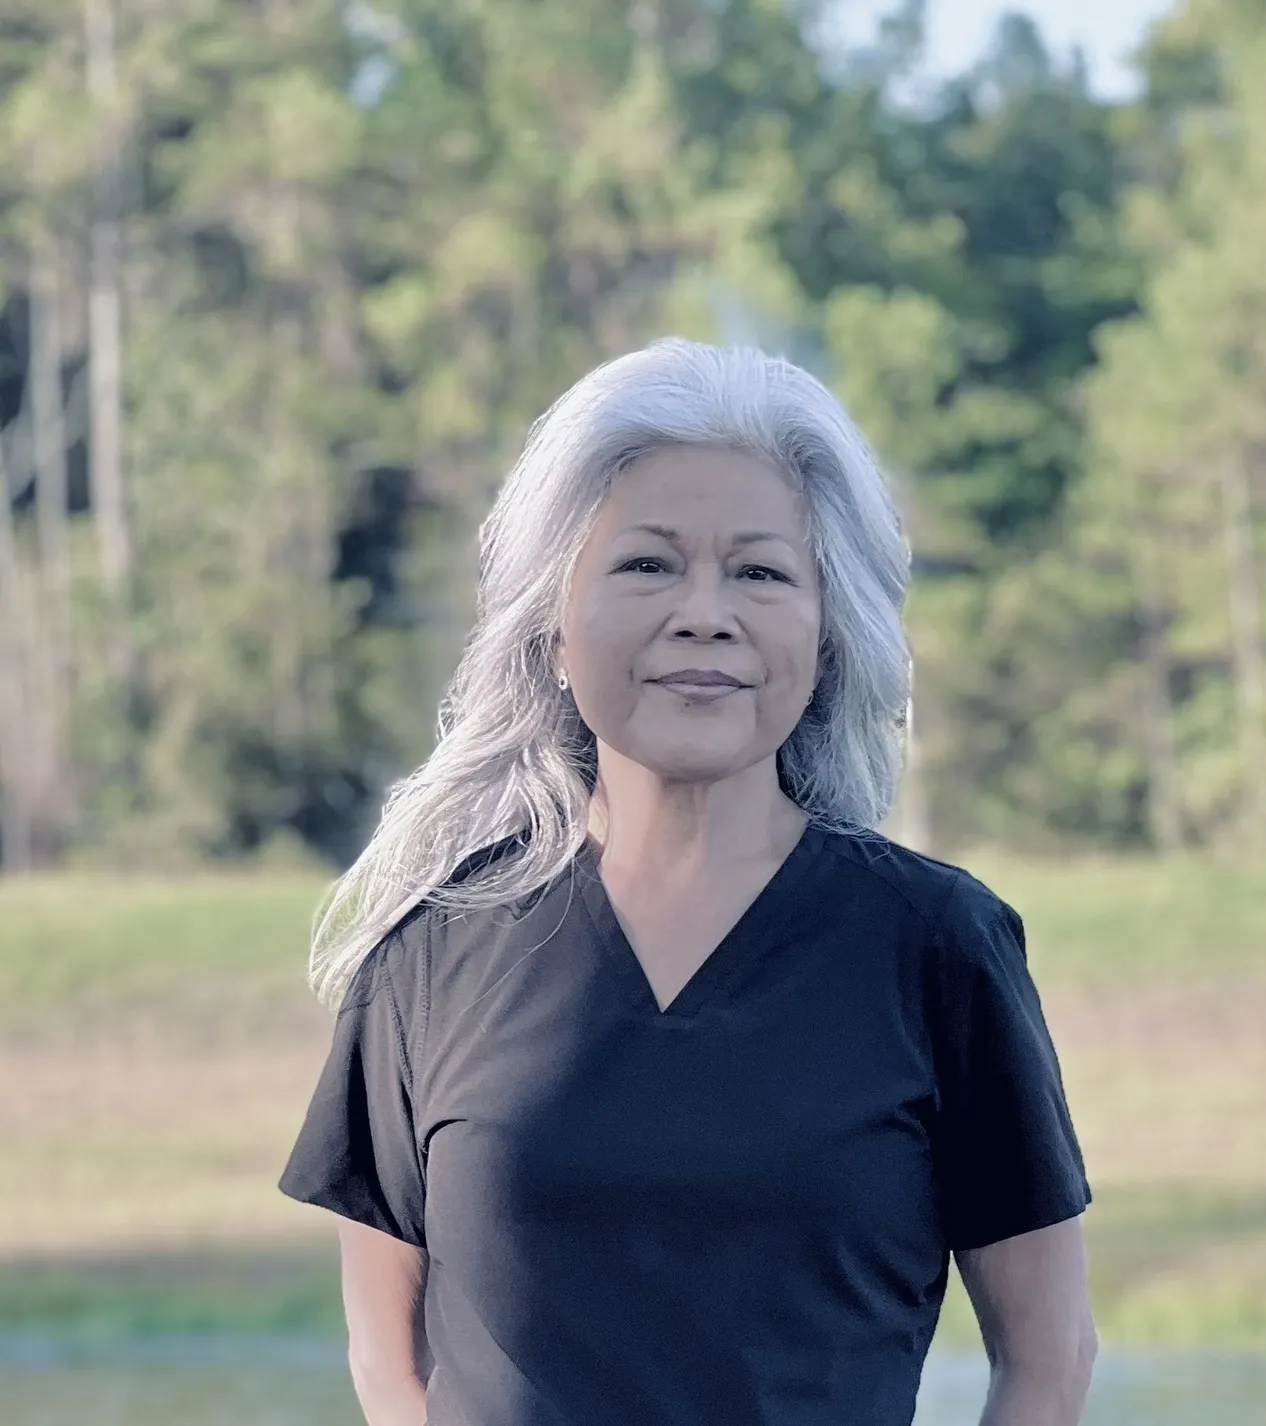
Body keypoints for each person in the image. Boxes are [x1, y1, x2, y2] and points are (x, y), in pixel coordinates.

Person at [278, 336, 1097, 1426]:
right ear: (554, 629)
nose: (704, 611)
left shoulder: (937, 946)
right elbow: (390, 1364)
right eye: (646, 563)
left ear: (825, 632)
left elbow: (1048, 1358)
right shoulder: (429, 953)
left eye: (759, 571)